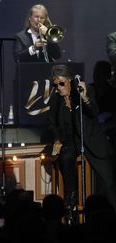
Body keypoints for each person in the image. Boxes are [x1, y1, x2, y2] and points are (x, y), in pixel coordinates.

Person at [48, 64, 116, 210]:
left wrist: (84, 97)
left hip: (91, 139)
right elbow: (51, 123)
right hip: (71, 141)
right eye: (56, 84)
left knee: (109, 183)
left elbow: (94, 111)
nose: (59, 87)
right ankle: (71, 197)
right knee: (65, 156)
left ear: (70, 80)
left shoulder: (85, 90)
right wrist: (57, 139)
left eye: (61, 83)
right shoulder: (55, 99)